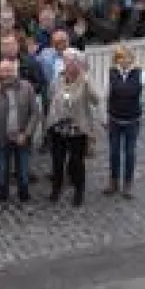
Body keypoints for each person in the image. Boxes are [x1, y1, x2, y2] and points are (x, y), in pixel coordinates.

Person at [45, 53, 98, 206]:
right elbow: (51, 96)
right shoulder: (58, 80)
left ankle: (79, 191)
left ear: (79, 66)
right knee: (57, 161)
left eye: (73, 63)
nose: (69, 66)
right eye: (67, 63)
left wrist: (88, 83)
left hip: (77, 129)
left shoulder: (85, 81)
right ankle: (56, 188)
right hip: (58, 127)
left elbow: (96, 99)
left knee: (76, 162)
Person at [105, 46, 145, 199]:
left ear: (131, 58)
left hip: (132, 120)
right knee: (114, 153)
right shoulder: (112, 72)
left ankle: (128, 184)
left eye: (126, 57)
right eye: (120, 57)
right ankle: (113, 182)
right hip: (114, 119)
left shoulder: (140, 74)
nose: (123, 60)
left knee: (129, 153)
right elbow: (108, 93)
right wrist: (104, 113)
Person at [0, 59, 39, 204]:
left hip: (22, 137)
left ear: (15, 71)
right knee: (2, 169)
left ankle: (24, 192)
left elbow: (35, 113)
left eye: (9, 70)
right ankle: (3, 193)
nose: (7, 73)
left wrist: (26, 134)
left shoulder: (27, 87)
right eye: (3, 70)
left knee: (23, 170)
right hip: (1, 138)